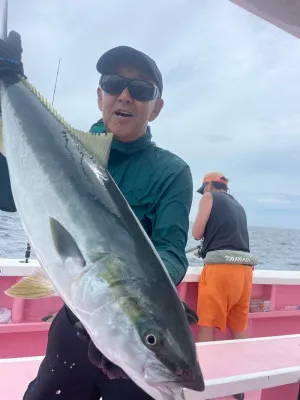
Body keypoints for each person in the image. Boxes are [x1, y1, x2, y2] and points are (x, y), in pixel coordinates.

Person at [0, 32, 195, 399]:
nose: (125, 95)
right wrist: (8, 85)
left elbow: (170, 250)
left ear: (157, 106)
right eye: (113, 83)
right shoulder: (62, 149)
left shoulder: (171, 171)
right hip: (76, 322)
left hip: (123, 330)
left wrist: (146, 292)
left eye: (140, 88)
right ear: (99, 95)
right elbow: (8, 197)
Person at [192, 172, 257, 400]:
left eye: (205, 188)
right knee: (239, 326)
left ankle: (205, 384)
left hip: (221, 270)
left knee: (207, 324)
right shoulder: (239, 205)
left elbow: (197, 232)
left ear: (210, 185)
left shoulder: (209, 198)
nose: (204, 193)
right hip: (244, 271)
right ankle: (241, 381)